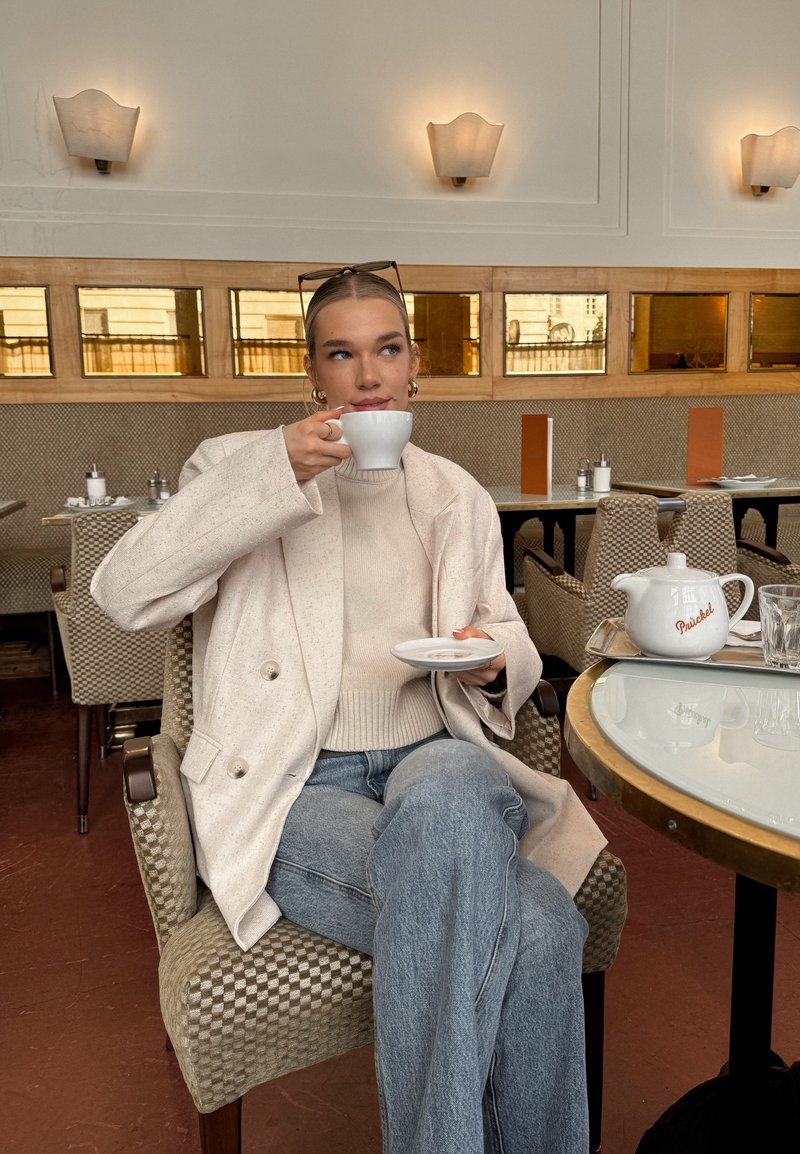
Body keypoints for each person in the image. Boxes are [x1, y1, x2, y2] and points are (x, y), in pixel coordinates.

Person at [92, 261, 606, 1154]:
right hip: (296, 792)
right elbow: (123, 593)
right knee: (541, 923)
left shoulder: (455, 494)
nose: (367, 376)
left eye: (387, 350)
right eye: (342, 354)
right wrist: (272, 472)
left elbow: (507, 633)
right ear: (312, 373)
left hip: (431, 757)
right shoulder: (235, 468)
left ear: (415, 370)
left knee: (448, 789)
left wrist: (492, 666)